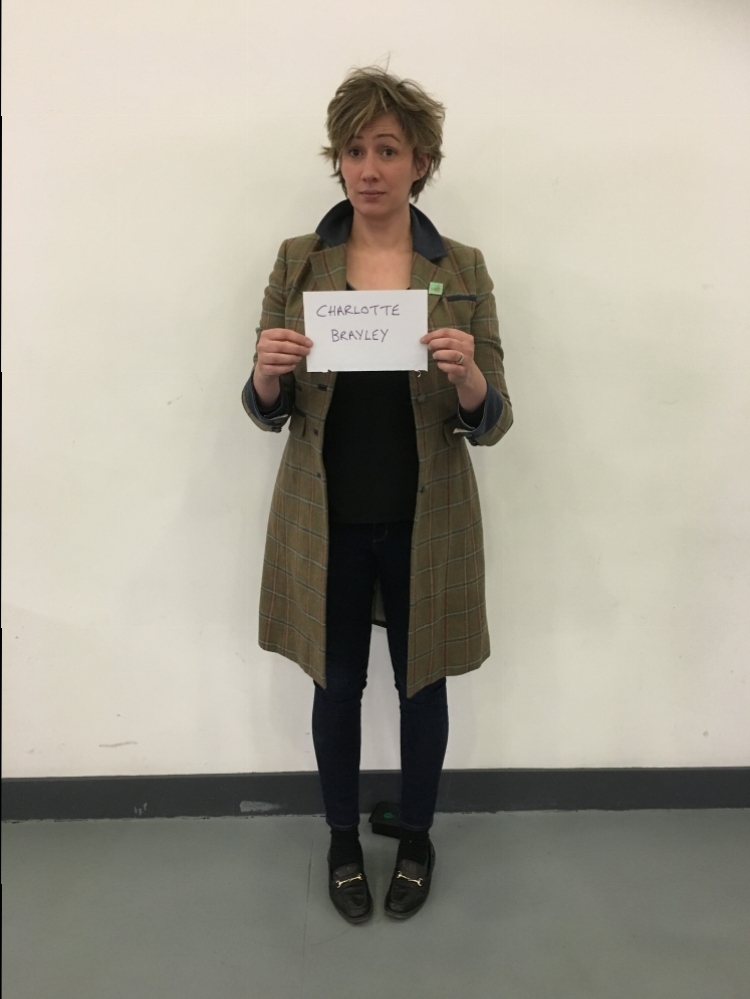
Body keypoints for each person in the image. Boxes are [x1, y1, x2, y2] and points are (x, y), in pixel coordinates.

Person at [242, 66, 513, 924]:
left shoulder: (460, 268)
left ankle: (418, 836)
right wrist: (265, 374)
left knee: (422, 686)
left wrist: (469, 378)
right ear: (339, 159)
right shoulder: (299, 261)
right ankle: (340, 841)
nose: (368, 168)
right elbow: (266, 408)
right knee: (336, 687)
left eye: (388, 150)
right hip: (324, 518)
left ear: (420, 162)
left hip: (426, 518)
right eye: (354, 150)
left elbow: (495, 419)